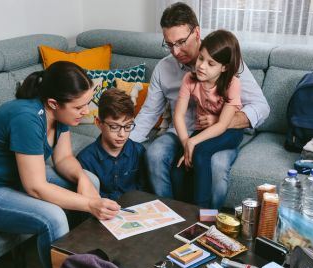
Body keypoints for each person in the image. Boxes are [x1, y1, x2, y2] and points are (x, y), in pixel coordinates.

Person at [0, 61, 121, 268]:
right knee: (53, 218)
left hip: (12, 179)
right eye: (79, 107)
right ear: (53, 103)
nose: (86, 112)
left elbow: (63, 158)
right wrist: (89, 204)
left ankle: (87, 264)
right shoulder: (27, 118)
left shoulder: (60, 115)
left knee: (90, 180)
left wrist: (81, 178)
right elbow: (36, 187)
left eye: (87, 104)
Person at [130, 2, 270, 208]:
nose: (176, 51)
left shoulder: (226, 61)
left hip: (218, 133)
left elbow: (261, 107)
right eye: (169, 44)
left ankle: (207, 224)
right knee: (155, 154)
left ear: (196, 32)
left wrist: (222, 121)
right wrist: (121, 142)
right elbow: (149, 113)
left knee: (217, 165)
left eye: (181, 42)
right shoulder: (165, 69)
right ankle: (170, 216)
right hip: (180, 133)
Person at [174, 29, 244, 208]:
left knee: (201, 152)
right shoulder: (189, 80)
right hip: (204, 130)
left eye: (211, 63)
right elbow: (179, 115)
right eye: (201, 58)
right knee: (180, 165)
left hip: (230, 131)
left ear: (224, 67)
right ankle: (183, 211)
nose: (202, 66)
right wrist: (185, 143)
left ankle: (203, 214)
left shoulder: (232, 84)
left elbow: (222, 125)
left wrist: (193, 143)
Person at [77, 88, 147, 200]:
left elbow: (144, 190)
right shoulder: (85, 159)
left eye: (128, 126)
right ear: (99, 123)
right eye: (114, 127)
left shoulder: (139, 151)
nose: (122, 134)